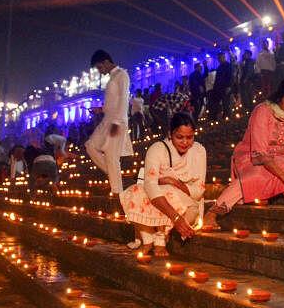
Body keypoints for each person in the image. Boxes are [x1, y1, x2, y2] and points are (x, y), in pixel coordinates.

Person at [204, 77, 284, 227]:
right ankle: (213, 212)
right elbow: (260, 152)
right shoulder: (263, 111)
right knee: (257, 174)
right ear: (280, 97)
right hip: (251, 157)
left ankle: (261, 194)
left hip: (280, 160)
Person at [119, 112, 205, 256]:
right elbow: (150, 186)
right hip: (162, 203)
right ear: (170, 134)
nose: (185, 142)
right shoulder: (157, 149)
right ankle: (148, 239)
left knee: (169, 191)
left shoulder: (199, 151)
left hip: (187, 206)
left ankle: (160, 238)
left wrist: (174, 183)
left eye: (189, 137)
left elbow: (199, 190)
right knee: (134, 192)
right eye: (180, 137)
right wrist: (174, 217)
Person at [85, 49, 133, 198]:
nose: (100, 72)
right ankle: (114, 176)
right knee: (90, 146)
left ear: (106, 62)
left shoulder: (122, 75)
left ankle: (117, 191)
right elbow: (111, 103)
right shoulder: (112, 78)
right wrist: (100, 109)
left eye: (100, 67)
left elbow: (124, 100)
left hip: (117, 121)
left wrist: (117, 123)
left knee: (112, 155)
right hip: (107, 119)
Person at [209, 52, 232, 120]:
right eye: (218, 58)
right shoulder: (219, 67)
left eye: (220, 57)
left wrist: (228, 86)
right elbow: (217, 78)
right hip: (219, 88)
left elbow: (230, 76)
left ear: (223, 57)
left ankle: (227, 118)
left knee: (226, 103)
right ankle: (221, 117)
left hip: (225, 87)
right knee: (220, 103)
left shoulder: (228, 65)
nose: (219, 59)